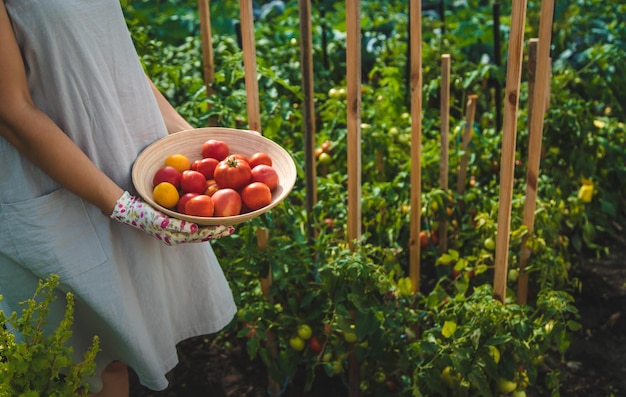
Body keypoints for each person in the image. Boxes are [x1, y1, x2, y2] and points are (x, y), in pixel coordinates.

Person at [0, 1, 239, 396]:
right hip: (49, 183)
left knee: (112, 355)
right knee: (79, 366)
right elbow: (11, 112)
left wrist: (201, 151)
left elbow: (119, 62)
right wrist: (123, 207)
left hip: (120, 169)